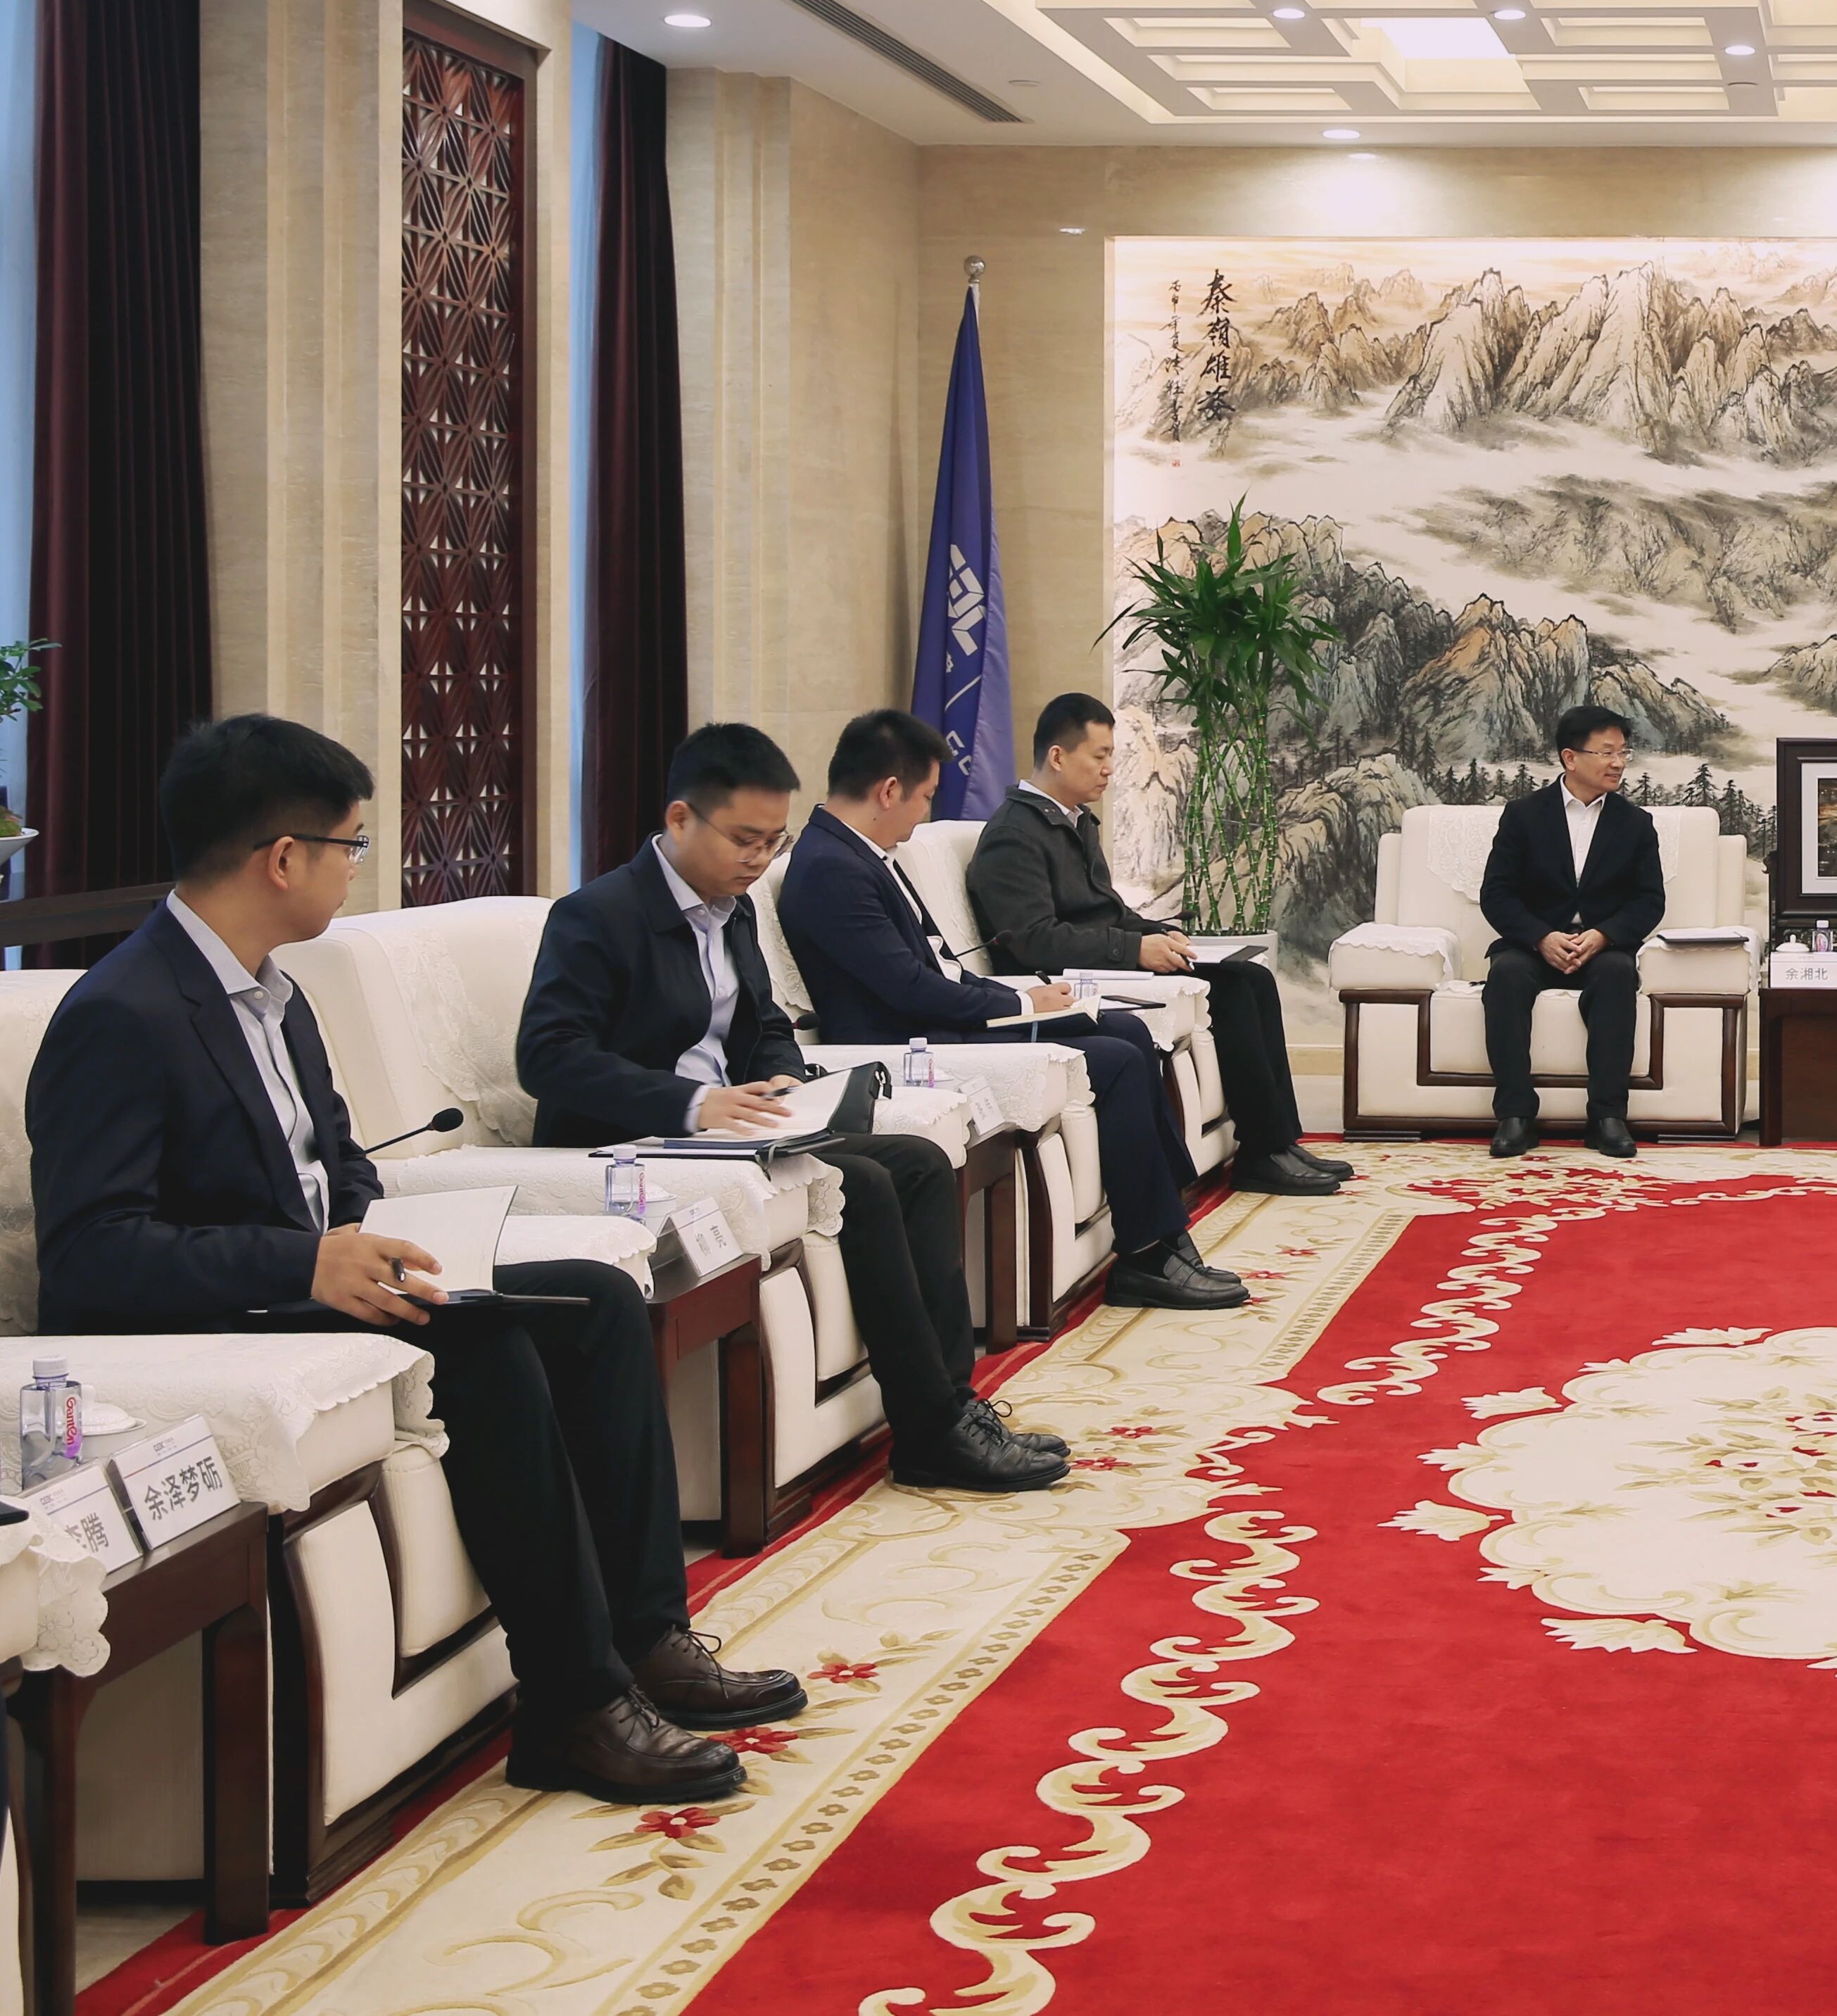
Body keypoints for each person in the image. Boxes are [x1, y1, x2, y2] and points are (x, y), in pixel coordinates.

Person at [32, 715, 804, 1805]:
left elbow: (341, 1164)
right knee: (481, 1346)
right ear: (284, 857)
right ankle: (572, 1706)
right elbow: (89, 1257)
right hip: (230, 1312)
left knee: (592, 1295)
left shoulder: (275, 990)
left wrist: (363, 1241)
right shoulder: (123, 1011)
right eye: (349, 844)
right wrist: (301, 1264)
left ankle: (647, 1638)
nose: (357, 866)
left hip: (319, 1280)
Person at [519, 723, 1063, 1494]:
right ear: (680, 818)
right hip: (639, 1142)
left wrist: (782, 1077)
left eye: (773, 841)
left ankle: (950, 1407)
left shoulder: (733, 908)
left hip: (741, 1132)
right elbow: (547, 1058)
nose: (759, 859)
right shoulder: (597, 915)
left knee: (914, 1161)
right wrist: (694, 1102)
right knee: (864, 1181)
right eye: (744, 839)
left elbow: (767, 1022)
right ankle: (930, 1428)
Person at [776, 709, 1244, 1312]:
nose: (924, 814)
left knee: (1125, 1028)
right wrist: (1019, 1001)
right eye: (925, 797)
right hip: (913, 1043)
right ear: (889, 791)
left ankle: (1166, 1229)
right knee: (1117, 1060)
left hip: (941, 1017)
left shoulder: (860, 851)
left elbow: (936, 967)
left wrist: (1024, 1001)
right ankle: (1148, 1255)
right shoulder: (831, 869)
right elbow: (910, 990)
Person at [966, 693, 1348, 1197]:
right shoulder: (1014, 835)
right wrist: (1133, 951)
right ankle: (1260, 1154)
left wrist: (1154, 933)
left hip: (1103, 961)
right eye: (1099, 756)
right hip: (1064, 981)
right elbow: (1036, 941)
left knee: (1252, 977)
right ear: (1057, 756)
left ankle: (1278, 1142)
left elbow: (1107, 912)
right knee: (1231, 991)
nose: (1109, 769)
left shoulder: (1074, 820)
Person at [1476, 704, 1668, 1159]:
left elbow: (1649, 900)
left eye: (1623, 752)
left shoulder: (1635, 824)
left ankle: (1607, 1117)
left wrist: (1604, 935)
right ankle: (1515, 1115)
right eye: (1607, 752)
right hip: (1534, 944)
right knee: (1505, 976)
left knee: (1617, 975)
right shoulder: (1523, 815)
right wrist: (1541, 937)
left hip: (1602, 948)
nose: (1618, 763)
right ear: (1570, 758)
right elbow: (1497, 894)